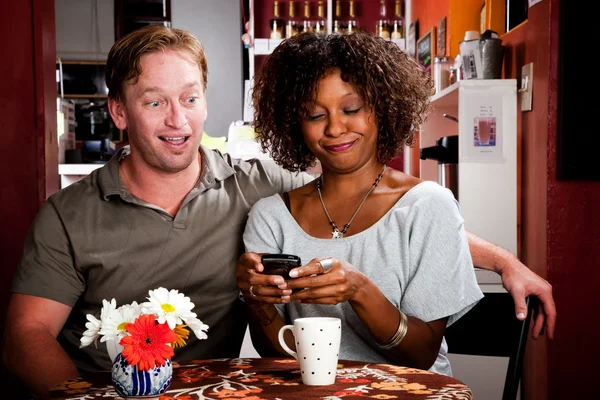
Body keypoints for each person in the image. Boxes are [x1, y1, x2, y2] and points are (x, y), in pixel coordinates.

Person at [1, 25, 554, 396]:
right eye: (154, 102)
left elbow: (377, 212)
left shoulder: (255, 186)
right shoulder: (68, 214)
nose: (178, 120)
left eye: (190, 98)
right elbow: (26, 336)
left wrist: (505, 261)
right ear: (119, 112)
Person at [235, 31, 552, 374]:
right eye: (315, 115)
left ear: (383, 107)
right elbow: (275, 355)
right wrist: (255, 297)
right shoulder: (270, 218)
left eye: (352, 108)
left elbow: (420, 356)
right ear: (295, 125)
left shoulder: (428, 206)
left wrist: (359, 290)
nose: (335, 128)